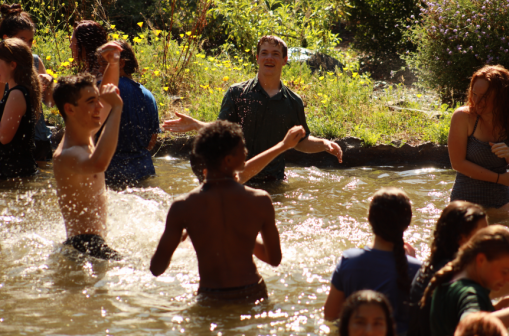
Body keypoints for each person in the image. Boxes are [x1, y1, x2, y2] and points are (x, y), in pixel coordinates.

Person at [161, 35, 342, 183]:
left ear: (285, 60)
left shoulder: (293, 102)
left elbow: (301, 142)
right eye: (264, 53)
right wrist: (195, 124)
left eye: (275, 54)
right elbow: (221, 134)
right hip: (237, 179)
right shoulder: (237, 93)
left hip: (274, 182)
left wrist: (324, 144)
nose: (269, 58)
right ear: (257, 58)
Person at [150, 120, 282, 302]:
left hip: (211, 298)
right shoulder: (260, 200)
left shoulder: (183, 206)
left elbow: (157, 268)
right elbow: (274, 259)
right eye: (242, 149)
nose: (246, 153)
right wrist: (243, 236)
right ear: (228, 160)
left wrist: (178, 237)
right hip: (253, 294)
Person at [52, 43, 124, 260]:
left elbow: (107, 97)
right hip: (83, 248)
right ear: (70, 109)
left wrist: (113, 63)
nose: (99, 107)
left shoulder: (84, 133)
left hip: (94, 246)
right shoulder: (67, 154)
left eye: (98, 101)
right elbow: (99, 164)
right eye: (92, 102)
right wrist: (118, 108)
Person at [324, 188, 421, 335]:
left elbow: (330, 315)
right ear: (407, 223)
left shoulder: (349, 261)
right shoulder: (418, 270)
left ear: (370, 220)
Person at [448, 65, 509, 210]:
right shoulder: (463, 116)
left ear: (502, 97)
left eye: (485, 97)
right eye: (474, 94)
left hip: (501, 199)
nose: (477, 102)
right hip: (465, 200)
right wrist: (501, 179)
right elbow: (457, 163)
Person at [408, 201, 488, 336]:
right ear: (462, 239)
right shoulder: (454, 275)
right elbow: (471, 327)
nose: (488, 240)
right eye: (483, 234)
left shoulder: (431, 266)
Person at [95, 40, 160, 186]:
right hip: (144, 169)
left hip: (111, 170)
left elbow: (91, 128)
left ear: (121, 63)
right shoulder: (148, 95)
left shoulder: (106, 90)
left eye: (104, 64)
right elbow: (151, 141)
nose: (100, 70)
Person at [0, 3, 53, 162]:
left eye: (30, 41)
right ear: (6, 40)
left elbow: (49, 103)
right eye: (22, 39)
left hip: (39, 138)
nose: (28, 45)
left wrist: (48, 83)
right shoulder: (2, 67)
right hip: (11, 141)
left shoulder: (35, 61)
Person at [0, 38, 42, 178]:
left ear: (12, 65)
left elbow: (3, 137)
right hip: (18, 171)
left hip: (14, 173)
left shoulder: (17, 94)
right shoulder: (17, 90)